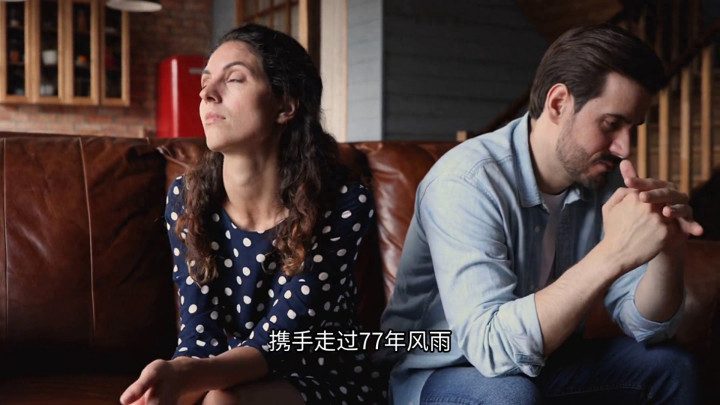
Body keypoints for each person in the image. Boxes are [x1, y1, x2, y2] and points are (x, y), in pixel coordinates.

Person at [380, 24, 704, 405]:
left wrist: (669, 250)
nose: (624, 148)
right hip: (444, 370)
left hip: (547, 364)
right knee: (509, 396)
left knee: (673, 367)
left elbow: (647, 326)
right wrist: (613, 253)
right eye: (611, 124)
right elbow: (490, 348)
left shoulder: (603, 179)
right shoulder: (466, 181)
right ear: (558, 103)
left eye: (633, 127)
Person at [120, 24, 384, 405]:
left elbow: (281, 341)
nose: (207, 94)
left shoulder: (343, 201)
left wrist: (187, 375)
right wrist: (173, 383)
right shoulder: (187, 199)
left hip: (326, 374)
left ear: (285, 105)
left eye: (234, 79)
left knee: (222, 400)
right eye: (205, 82)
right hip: (228, 374)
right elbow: (199, 336)